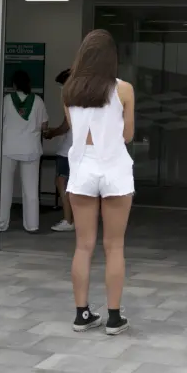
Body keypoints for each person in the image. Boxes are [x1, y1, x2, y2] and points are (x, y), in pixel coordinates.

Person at [63, 29, 135, 335]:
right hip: (115, 166)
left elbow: (74, 129)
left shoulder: (68, 90)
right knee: (114, 246)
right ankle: (114, 317)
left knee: (83, 246)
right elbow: (127, 136)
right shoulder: (124, 90)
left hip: (82, 167)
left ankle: (82, 314)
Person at [0, 70, 48, 233]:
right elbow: (44, 126)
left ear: (13, 85)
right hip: (31, 149)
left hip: (8, 148)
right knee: (31, 189)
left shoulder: (6, 100)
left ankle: (1, 224)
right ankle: (32, 225)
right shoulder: (38, 101)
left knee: (5, 188)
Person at [44, 69, 75, 232]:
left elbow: (66, 125)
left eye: (62, 86)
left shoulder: (71, 100)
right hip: (78, 149)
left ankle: (68, 219)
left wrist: (52, 133)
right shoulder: (87, 99)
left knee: (62, 182)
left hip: (68, 150)